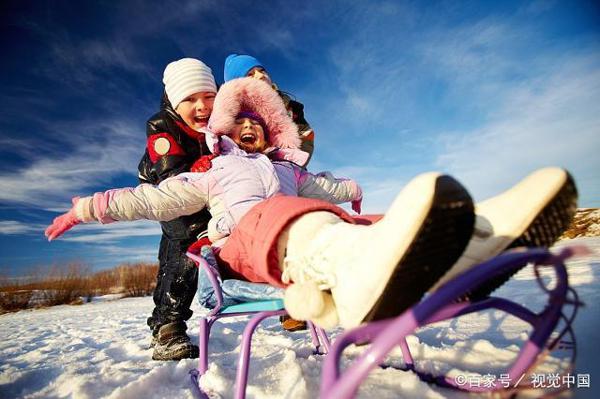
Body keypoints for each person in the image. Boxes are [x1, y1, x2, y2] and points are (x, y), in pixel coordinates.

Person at [45, 77, 477, 330]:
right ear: (224, 133)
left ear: (274, 134)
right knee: (280, 214)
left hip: (302, 248)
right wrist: (87, 208)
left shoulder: (291, 173)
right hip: (242, 251)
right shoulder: (211, 173)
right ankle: (363, 274)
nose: (249, 128)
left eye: (258, 124)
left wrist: (354, 192)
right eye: (239, 123)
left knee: (364, 222)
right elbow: (152, 198)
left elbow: (330, 188)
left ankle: (463, 256)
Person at [136, 58, 217, 360]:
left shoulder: (219, 123)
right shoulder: (161, 127)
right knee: (186, 248)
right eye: (191, 99)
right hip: (165, 190)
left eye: (209, 97)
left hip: (202, 191)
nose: (202, 106)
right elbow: (173, 181)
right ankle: (168, 327)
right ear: (173, 101)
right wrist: (195, 170)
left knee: (184, 249)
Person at [224, 53, 315, 167]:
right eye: (250, 74)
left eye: (262, 71)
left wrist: (292, 164)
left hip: (291, 170)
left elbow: (306, 136)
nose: (260, 75)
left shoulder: (290, 108)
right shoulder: (234, 113)